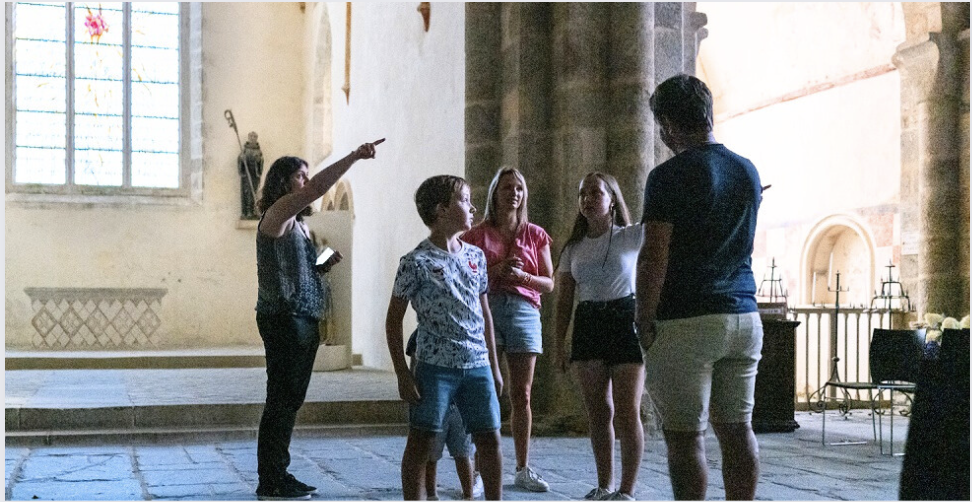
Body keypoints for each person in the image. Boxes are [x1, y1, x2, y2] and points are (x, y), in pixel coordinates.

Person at [636, 74, 764, 500]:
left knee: (685, 437)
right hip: (745, 315)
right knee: (737, 429)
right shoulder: (747, 171)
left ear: (669, 123)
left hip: (688, 319)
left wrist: (643, 319)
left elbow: (655, 255)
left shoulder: (667, 176)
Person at [254, 140, 380, 501]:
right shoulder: (276, 217)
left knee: (290, 400)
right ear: (282, 183)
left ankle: (280, 473)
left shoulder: (302, 227)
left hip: (305, 318)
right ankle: (270, 479)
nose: (306, 181)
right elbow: (318, 189)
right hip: (283, 318)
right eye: (300, 175)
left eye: (306, 174)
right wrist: (354, 156)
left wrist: (327, 260)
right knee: (280, 399)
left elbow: (309, 268)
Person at [385, 175, 504, 501]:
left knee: (489, 438)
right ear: (441, 210)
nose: (472, 206)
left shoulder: (476, 257)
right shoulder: (416, 262)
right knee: (422, 440)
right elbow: (393, 322)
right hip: (435, 367)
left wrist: (494, 366)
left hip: (477, 363)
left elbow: (485, 316)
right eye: (465, 200)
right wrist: (402, 374)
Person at [553, 172, 645, 501]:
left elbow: (669, 242)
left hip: (624, 320)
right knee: (597, 412)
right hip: (589, 323)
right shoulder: (573, 248)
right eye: (583, 194)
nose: (588, 199)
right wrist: (559, 343)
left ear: (612, 200)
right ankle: (605, 483)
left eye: (595, 193)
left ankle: (627, 490)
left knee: (626, 411)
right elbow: (564, 301)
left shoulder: (632, 236)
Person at [461, 167, 554, 492]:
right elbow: (464, 278)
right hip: (485, 310)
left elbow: (549, 282)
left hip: (524, 310)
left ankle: (522, 467)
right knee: (482, 390)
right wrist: (495, 270)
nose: (514, 193)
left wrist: (524, 278)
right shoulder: (475, 235)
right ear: (494, 194)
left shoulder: (536, 234)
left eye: (519, 188)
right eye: (507, 188)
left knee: (522, 393)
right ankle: (475, 471)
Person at [405, 332, 485, 501]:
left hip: (458, 406)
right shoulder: (419, 336)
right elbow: (414, 365)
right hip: (433, 403)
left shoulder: (462, 332)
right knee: (431, 456)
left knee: (462, 455)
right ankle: (432, 495)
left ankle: (468, 495)